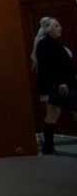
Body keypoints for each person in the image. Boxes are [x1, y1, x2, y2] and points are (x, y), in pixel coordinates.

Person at [32, 17, 75, 155]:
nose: (60, 28)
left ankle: (48, 147)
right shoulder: (45, 44)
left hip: (61, 84)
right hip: (56, 85)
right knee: (53, 113)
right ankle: (48, 146)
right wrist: (60, 82)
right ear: (48, 29)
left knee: (53, 114)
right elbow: (49, 67)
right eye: (56, 26)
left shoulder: (55, 44)